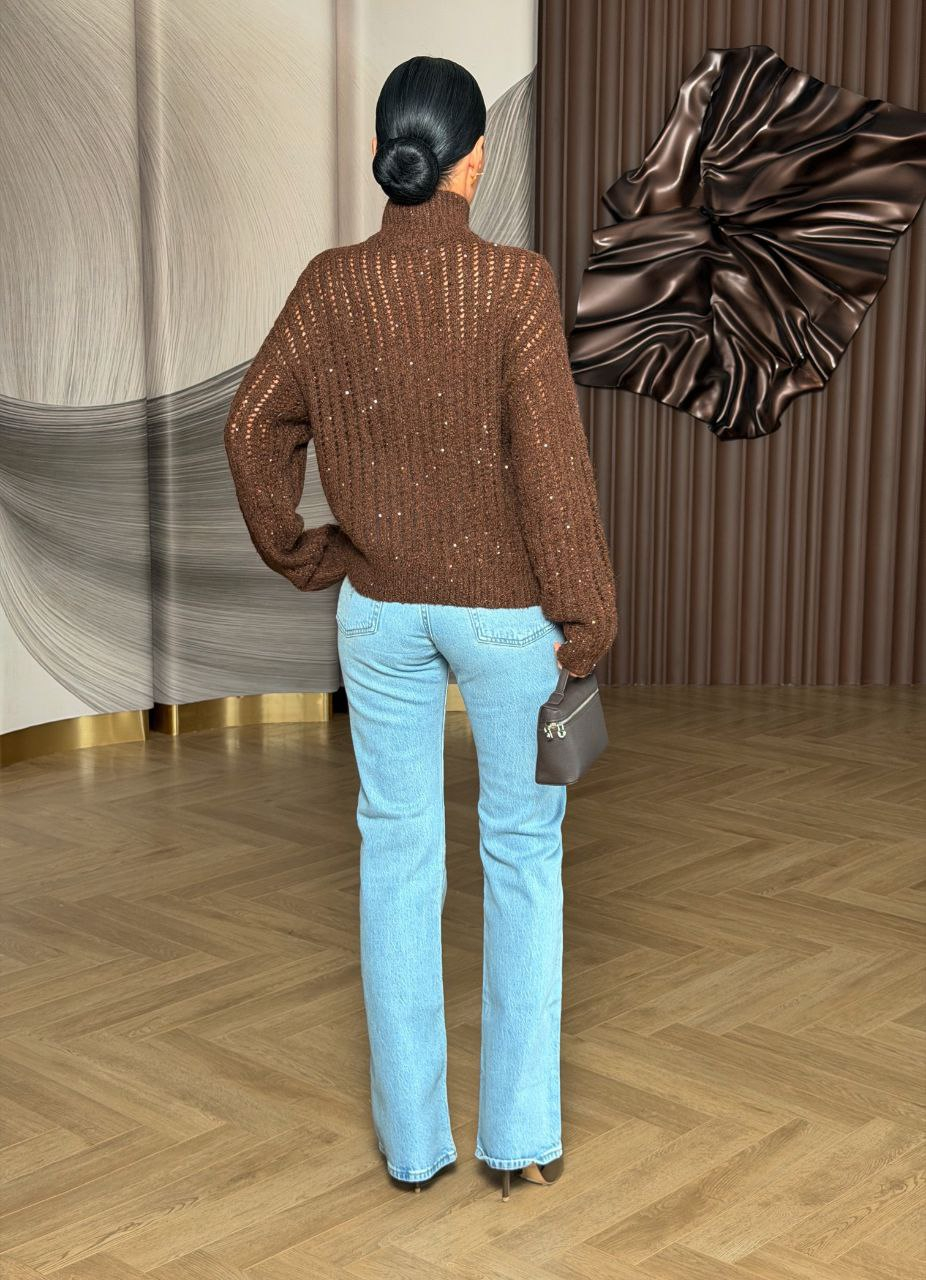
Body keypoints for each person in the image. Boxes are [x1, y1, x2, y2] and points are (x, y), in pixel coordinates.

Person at [224, 55, 618, 1200]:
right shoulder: (513, 283)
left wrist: (307, 552)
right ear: (472, 160)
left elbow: (250, 426)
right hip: (504, 621)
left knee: (395, 853)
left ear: (384, 154)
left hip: (379, 611)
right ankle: (520, 1139)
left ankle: (411, 1147)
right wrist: (585, 615)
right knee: (521, 857)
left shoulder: (328, 283)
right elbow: (551, 466)